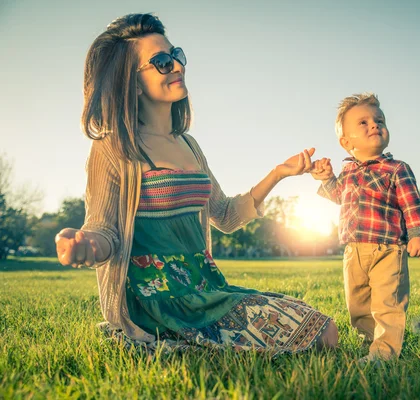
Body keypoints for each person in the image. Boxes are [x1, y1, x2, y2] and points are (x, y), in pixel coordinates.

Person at [55, 13, 337, 355]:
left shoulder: (189, 145)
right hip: (157, 301)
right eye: (160, 62)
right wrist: (88, 244)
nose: (176, 65)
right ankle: (149, 338)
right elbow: (105, 228)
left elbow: (226, 215)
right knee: (322, 335)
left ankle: (184, 343)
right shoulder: (113, 146)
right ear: (130, 81)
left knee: (317, 323)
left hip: (205, 290)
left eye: (176, 55)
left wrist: (279, 173)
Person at [310, 93, 420, 364]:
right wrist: (327, 177)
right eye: (363, 123)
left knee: (388, 304)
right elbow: (338, 196)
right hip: (354, 250)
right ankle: (370, 341)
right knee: (359, 304)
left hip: (388, 248)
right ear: (346, 142)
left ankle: (385, 353)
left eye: (379, 120)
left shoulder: (397, 169)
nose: (374, 125)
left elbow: (411, 204)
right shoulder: (348, 171)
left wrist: (418, 234)